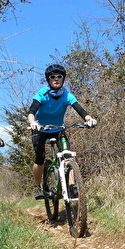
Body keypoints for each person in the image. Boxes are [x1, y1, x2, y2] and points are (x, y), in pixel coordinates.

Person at [27, 64, 97, 200]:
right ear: (48, 79)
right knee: (40, 157)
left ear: (63, 79)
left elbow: (80, 110)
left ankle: (71, 187)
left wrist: (89, 119)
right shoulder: (42, 93)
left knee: (68, 156)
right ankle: (37, 187)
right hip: (40, 129)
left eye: (59, 76)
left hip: (58, 129)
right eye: (52, 77)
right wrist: (32, 123)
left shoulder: (67, 95)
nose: (56, 79)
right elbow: (31, 112)